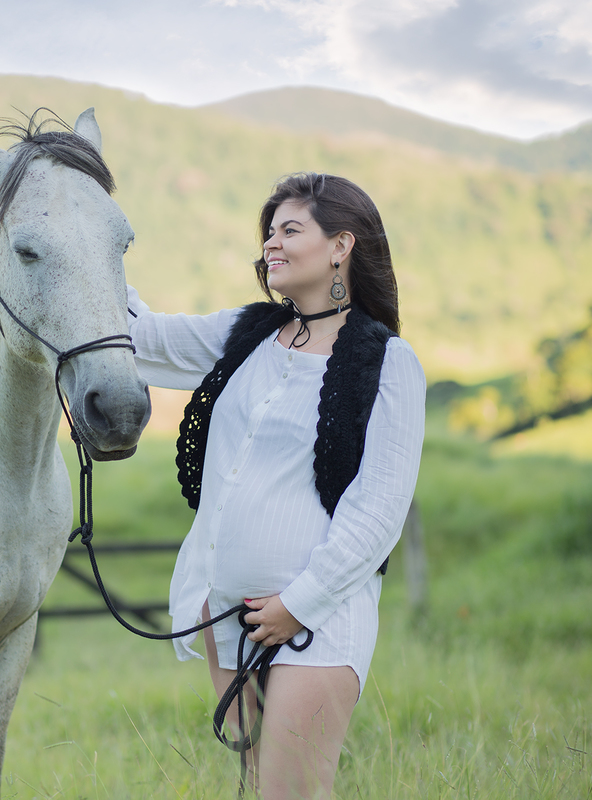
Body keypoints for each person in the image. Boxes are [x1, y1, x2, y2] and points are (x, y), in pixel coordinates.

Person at [126, 172, 425, 799]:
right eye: (269, 232)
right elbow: (144, 335)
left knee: (291, 794)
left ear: (340, 245)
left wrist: (298, 605)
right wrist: (79, 243)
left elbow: (378, 511)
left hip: (315, 619)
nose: (272, 244)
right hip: (230, 614)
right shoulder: (249, 332)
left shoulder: (388, 362)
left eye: (291, 230)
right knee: (261, 787)